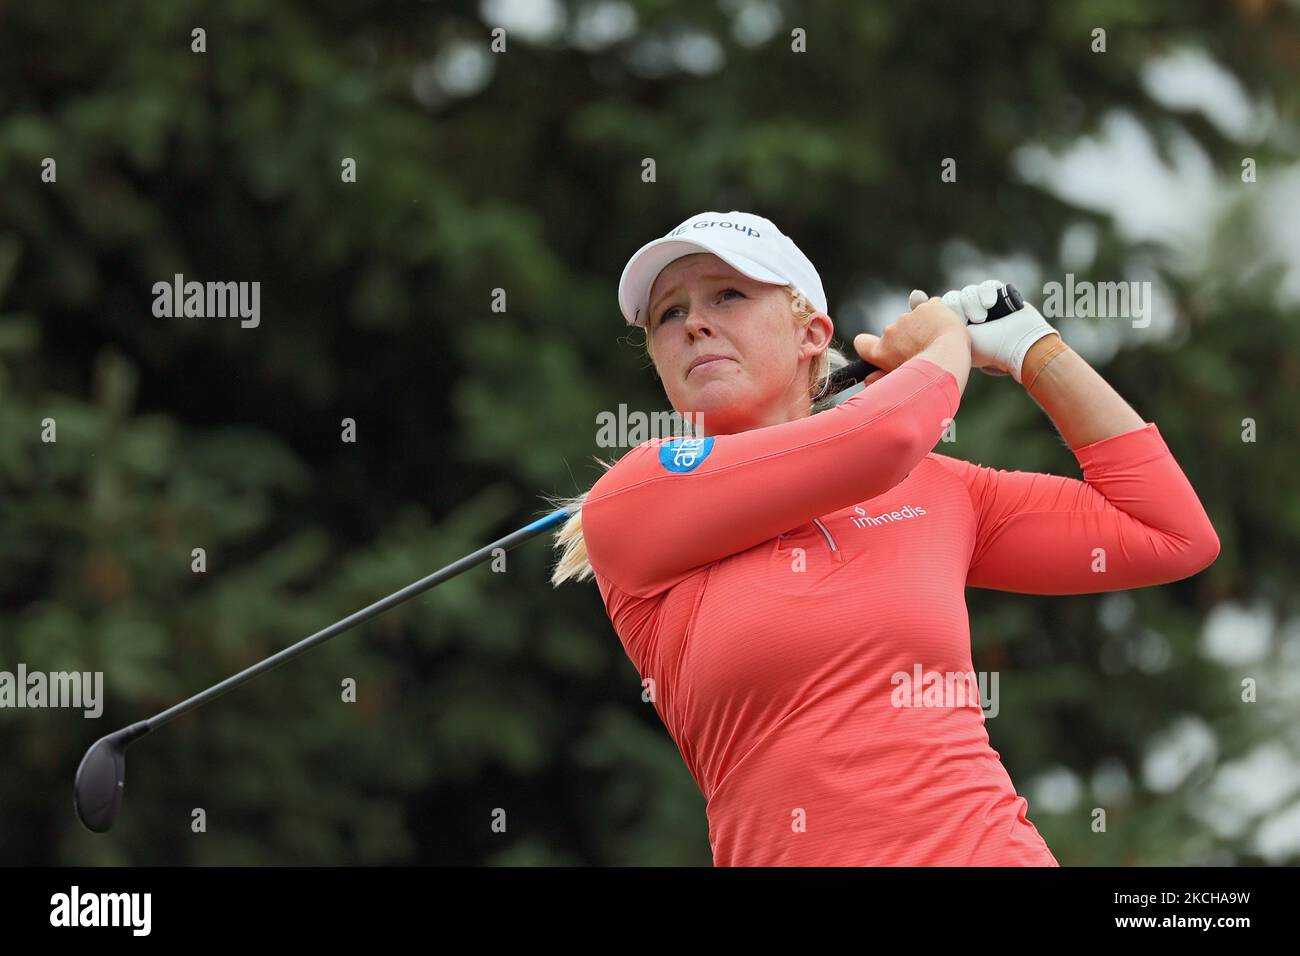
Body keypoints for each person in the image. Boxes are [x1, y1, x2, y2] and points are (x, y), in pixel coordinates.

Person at [547, 210, 1219, 866]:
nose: (694, 323)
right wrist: (945, 342)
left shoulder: (937, 492)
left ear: (811, 332)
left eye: (728, 294)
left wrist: (1034, 351)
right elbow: (882, 438)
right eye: (669, 313)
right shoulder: (636, 499)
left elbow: (1169, 534)